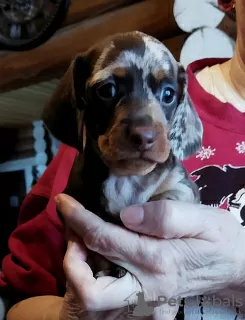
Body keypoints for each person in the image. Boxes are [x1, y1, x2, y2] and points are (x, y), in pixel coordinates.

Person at [1, 0, 245, 319]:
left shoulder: (179, 138)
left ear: (178, 104)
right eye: (107, 90)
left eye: (166, 96)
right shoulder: (88, 153)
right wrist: (66, 315)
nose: (144, 131)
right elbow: (17, 302)